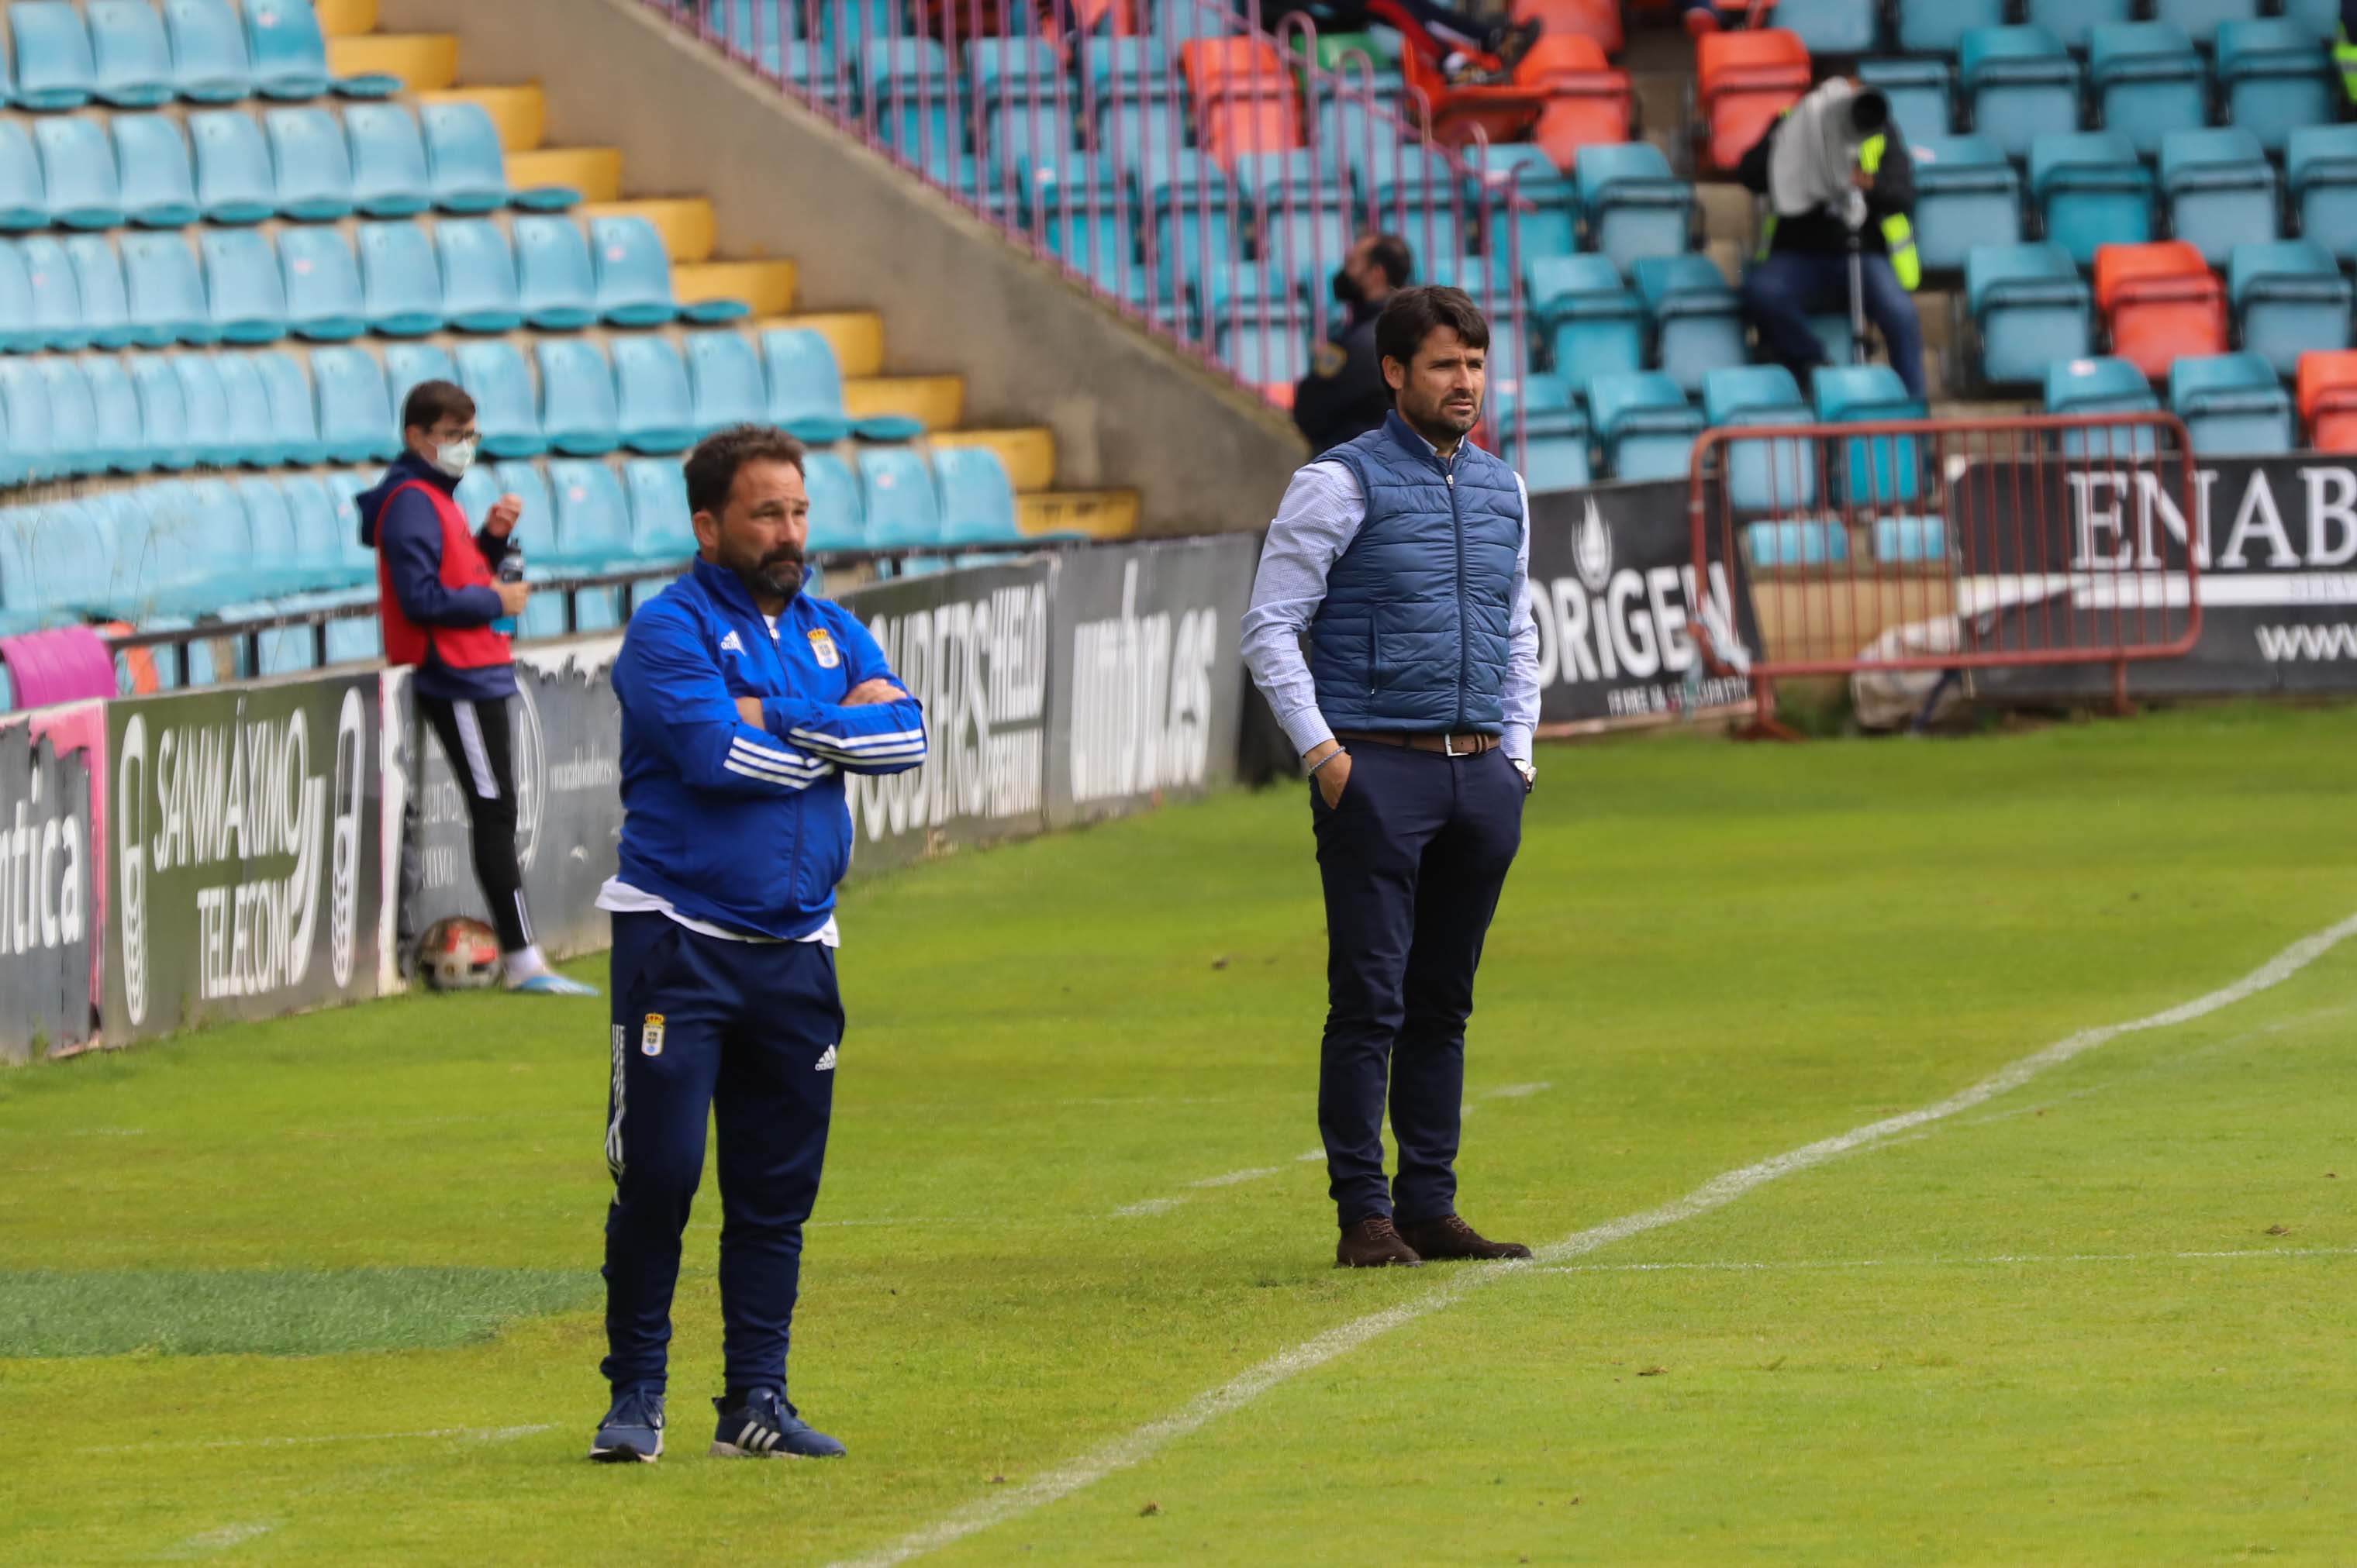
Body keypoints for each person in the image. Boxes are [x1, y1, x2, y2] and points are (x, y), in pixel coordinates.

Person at [587, 425, 928, 1464]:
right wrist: (832, 728)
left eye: (798, 510)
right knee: (661, 1172)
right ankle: (636, 1392)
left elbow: (909, 738)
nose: (788, 532)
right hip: (677, 939)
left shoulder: (832, 626)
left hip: (799, 947)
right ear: (709, 526)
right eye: (765, 512)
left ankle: (755, 1400)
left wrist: (775, 712)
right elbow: (717, 756)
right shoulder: (667, 631)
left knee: (775, 1188)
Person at [1240, 285, 1540, 1270]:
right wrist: (1325, 756)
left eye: (1476, 363)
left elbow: (1517, 628)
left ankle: (1429, 1205)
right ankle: (1363, 1214)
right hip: (1375, 772)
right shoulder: (1336, 483)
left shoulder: (1502, 487)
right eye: (1445, 364)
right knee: (1369, 1001)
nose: (1466, 382)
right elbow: (1270, 627)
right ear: (1394, 372)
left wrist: (1518, 754)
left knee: (1442, 1002)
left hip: (1480, 776)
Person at [361, 381, 596, 998]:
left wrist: (489, 540)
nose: (464, 446)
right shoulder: (412, 502)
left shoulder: (435, 497)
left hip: (477, 669)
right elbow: (422, 599)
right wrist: (497, 601)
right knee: (493, 809)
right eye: (453, 435)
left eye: (471, 435)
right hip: (456, 674)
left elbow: (453, 574)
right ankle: (523, 959)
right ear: (416, 437)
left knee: (499, 807)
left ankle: (525, 957)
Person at [1734, 79, 1925, 400]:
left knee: (1900, 312)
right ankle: (1816, 363)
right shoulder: (1794, 120)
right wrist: (1787, 145)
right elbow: (1749, 175)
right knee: (1763, 291)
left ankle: (1914, 407)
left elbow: (1902, 195)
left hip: (1862, 254)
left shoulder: (1876, 124)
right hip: (1799, 254)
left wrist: (1865, 184)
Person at [1293, 231, 1414, 456]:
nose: (1344, 273)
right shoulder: (1415, 328)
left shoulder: (1360, 342)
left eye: (1351, 264)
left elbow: (1310, 411)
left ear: (1376, 274)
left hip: (1356, 464)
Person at [1256, 1, 1541, 79]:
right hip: (1291, 13)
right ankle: (1454, 65)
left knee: (1403, 4)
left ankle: (1489, 43)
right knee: (1390, 3)